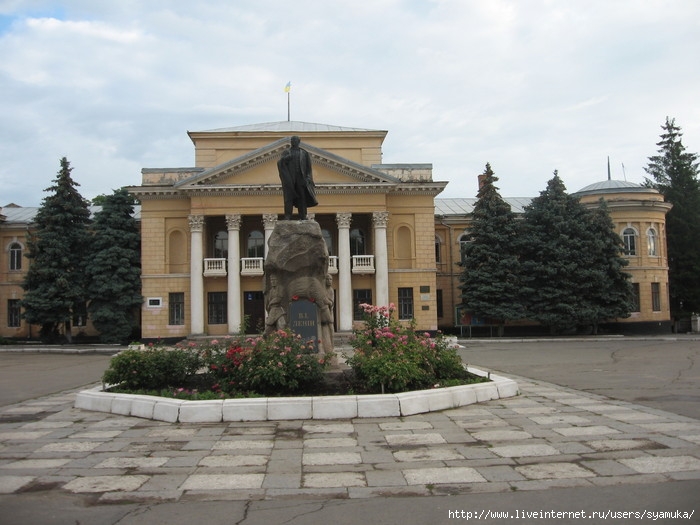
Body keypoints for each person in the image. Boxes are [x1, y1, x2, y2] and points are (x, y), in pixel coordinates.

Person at [277, 135, 318, 220]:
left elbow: (308, 167)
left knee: (302, 197)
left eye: (295, 140)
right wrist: (285, 159)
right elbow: (280, 163)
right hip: (290, 179)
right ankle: (288, 216)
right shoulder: (287, 152)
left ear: (299, 142)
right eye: (292, 140)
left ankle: (303, 216)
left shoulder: (304, 153)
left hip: (301, 178)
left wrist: (308, 178)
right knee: (288, 198)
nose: (293, 142)